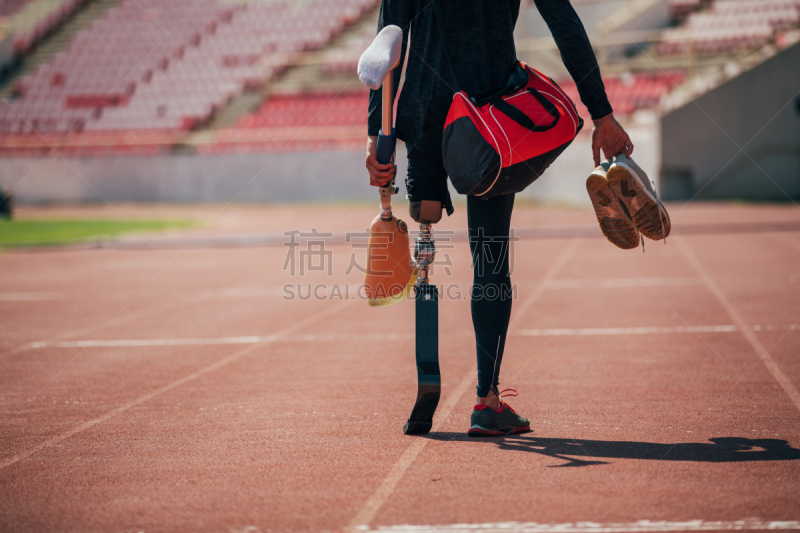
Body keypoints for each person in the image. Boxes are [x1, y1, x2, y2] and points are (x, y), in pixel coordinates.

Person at [365, 0, 634, 436]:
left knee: (426, 234)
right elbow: (564, 25)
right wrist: (600, 114)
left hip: (425, 114)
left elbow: (387, 41)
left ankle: (426, 380)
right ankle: (486, 401)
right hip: (488, 116)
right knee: (489, 257)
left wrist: (377, 134)